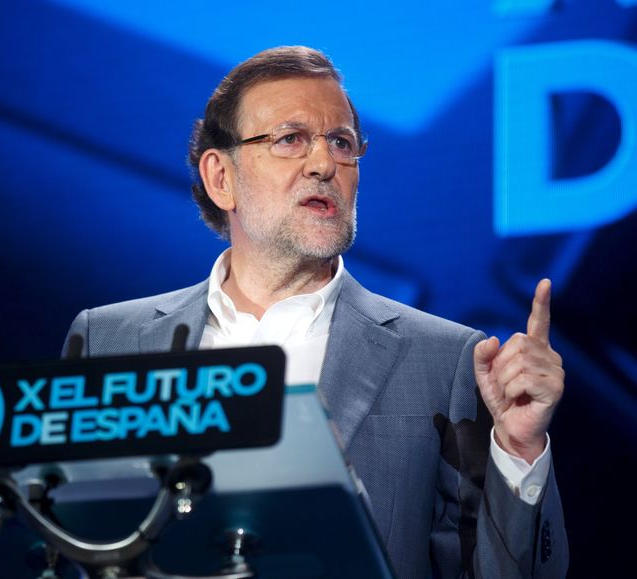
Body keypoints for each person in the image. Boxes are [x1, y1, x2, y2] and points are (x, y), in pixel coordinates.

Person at [64, 46, 568, 577]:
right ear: (221, 178)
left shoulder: (445, 359)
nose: (325, 164)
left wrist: (518, 449)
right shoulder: (111, 342)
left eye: (342, 143)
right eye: (290, 139)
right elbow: (66, 544)